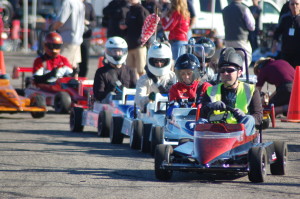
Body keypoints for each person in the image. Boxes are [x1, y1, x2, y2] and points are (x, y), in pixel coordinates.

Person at [200, 47, 263, 136]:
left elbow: (258, 117)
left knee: (249, 119)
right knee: (201, 122)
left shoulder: (251, 90)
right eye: (222, 71)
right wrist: (210, 106)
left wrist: (243, 116)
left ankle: (236, 142)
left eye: (230, 70)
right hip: (216, 131)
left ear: (239, 72)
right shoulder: (211, 90)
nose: (225, 73)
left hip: (240, 132)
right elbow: (202, 115)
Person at [135, 42, 176, 111]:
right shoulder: (144, 79)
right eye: (156, 61)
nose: (159, 64)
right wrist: (149, 98)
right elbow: (138, 101)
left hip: (170, 112)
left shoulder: (173, 77)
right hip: (150, 114)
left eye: (162, 61)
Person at [93, 36, 136, 103]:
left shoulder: (130, 71)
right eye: (114, 51)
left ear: (124, 52)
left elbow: (135, 90)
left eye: (120, 51)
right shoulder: (101, 72)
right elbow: (98, 95)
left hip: (127, 105)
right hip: (108, 106)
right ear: (108, 52)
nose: (117, 54)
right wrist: (111, 92)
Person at [49, 0, 85, 72]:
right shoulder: (80, 4)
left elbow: (61, 21)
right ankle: (74, 82)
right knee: (73, 66)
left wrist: (51, 28)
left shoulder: (68, 2)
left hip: (67, 38)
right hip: (77, 39)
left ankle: (63, 83)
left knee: (62, 66)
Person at [222, 0, 255, 70]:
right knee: (246, 57)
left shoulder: (225, 9)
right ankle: (240, 73)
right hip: (241, 38)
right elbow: (251, 26)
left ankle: (232, 73)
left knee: (230, 59)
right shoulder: (244, 8)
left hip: (228, 38)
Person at [120, 0, 149, 78]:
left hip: (139, 45)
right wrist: (124, 28)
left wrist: (143, 41)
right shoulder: (129, 11)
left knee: (141, 70)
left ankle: (142, 87)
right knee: (130, 70)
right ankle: (132, 87)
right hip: (129, 44)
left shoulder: (141, 10)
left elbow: (146, 28)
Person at [272, 0, 300, 68]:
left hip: (298, 52)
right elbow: (277, 32)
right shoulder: (285, 18)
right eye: (292, 4)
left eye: (297, 4)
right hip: (286, 51)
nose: (295, 6)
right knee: (286, 71)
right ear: (289, 6)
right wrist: (274, 44)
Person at [78, 0, 96, 77]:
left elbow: (94, 22)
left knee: (84, 61)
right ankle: (72, 80)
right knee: (74, 61)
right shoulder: (73, 4)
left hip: (85, 37)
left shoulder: (89, 6)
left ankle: (82, 79)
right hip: (74, 37)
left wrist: (87, 23)